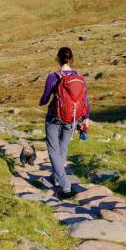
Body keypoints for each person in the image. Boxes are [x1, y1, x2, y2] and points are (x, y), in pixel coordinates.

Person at [38, 46, 90, 198]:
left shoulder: (53, 76)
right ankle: (56, 176)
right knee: (63, 148)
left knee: (53, 150)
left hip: (54, 118)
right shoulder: (79, 77)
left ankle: (65, 186)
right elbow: (85, 99)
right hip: (72, 118)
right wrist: (86, 117)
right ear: (71, 59)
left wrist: (42, 102)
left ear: (58, 59)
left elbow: (46, 97)